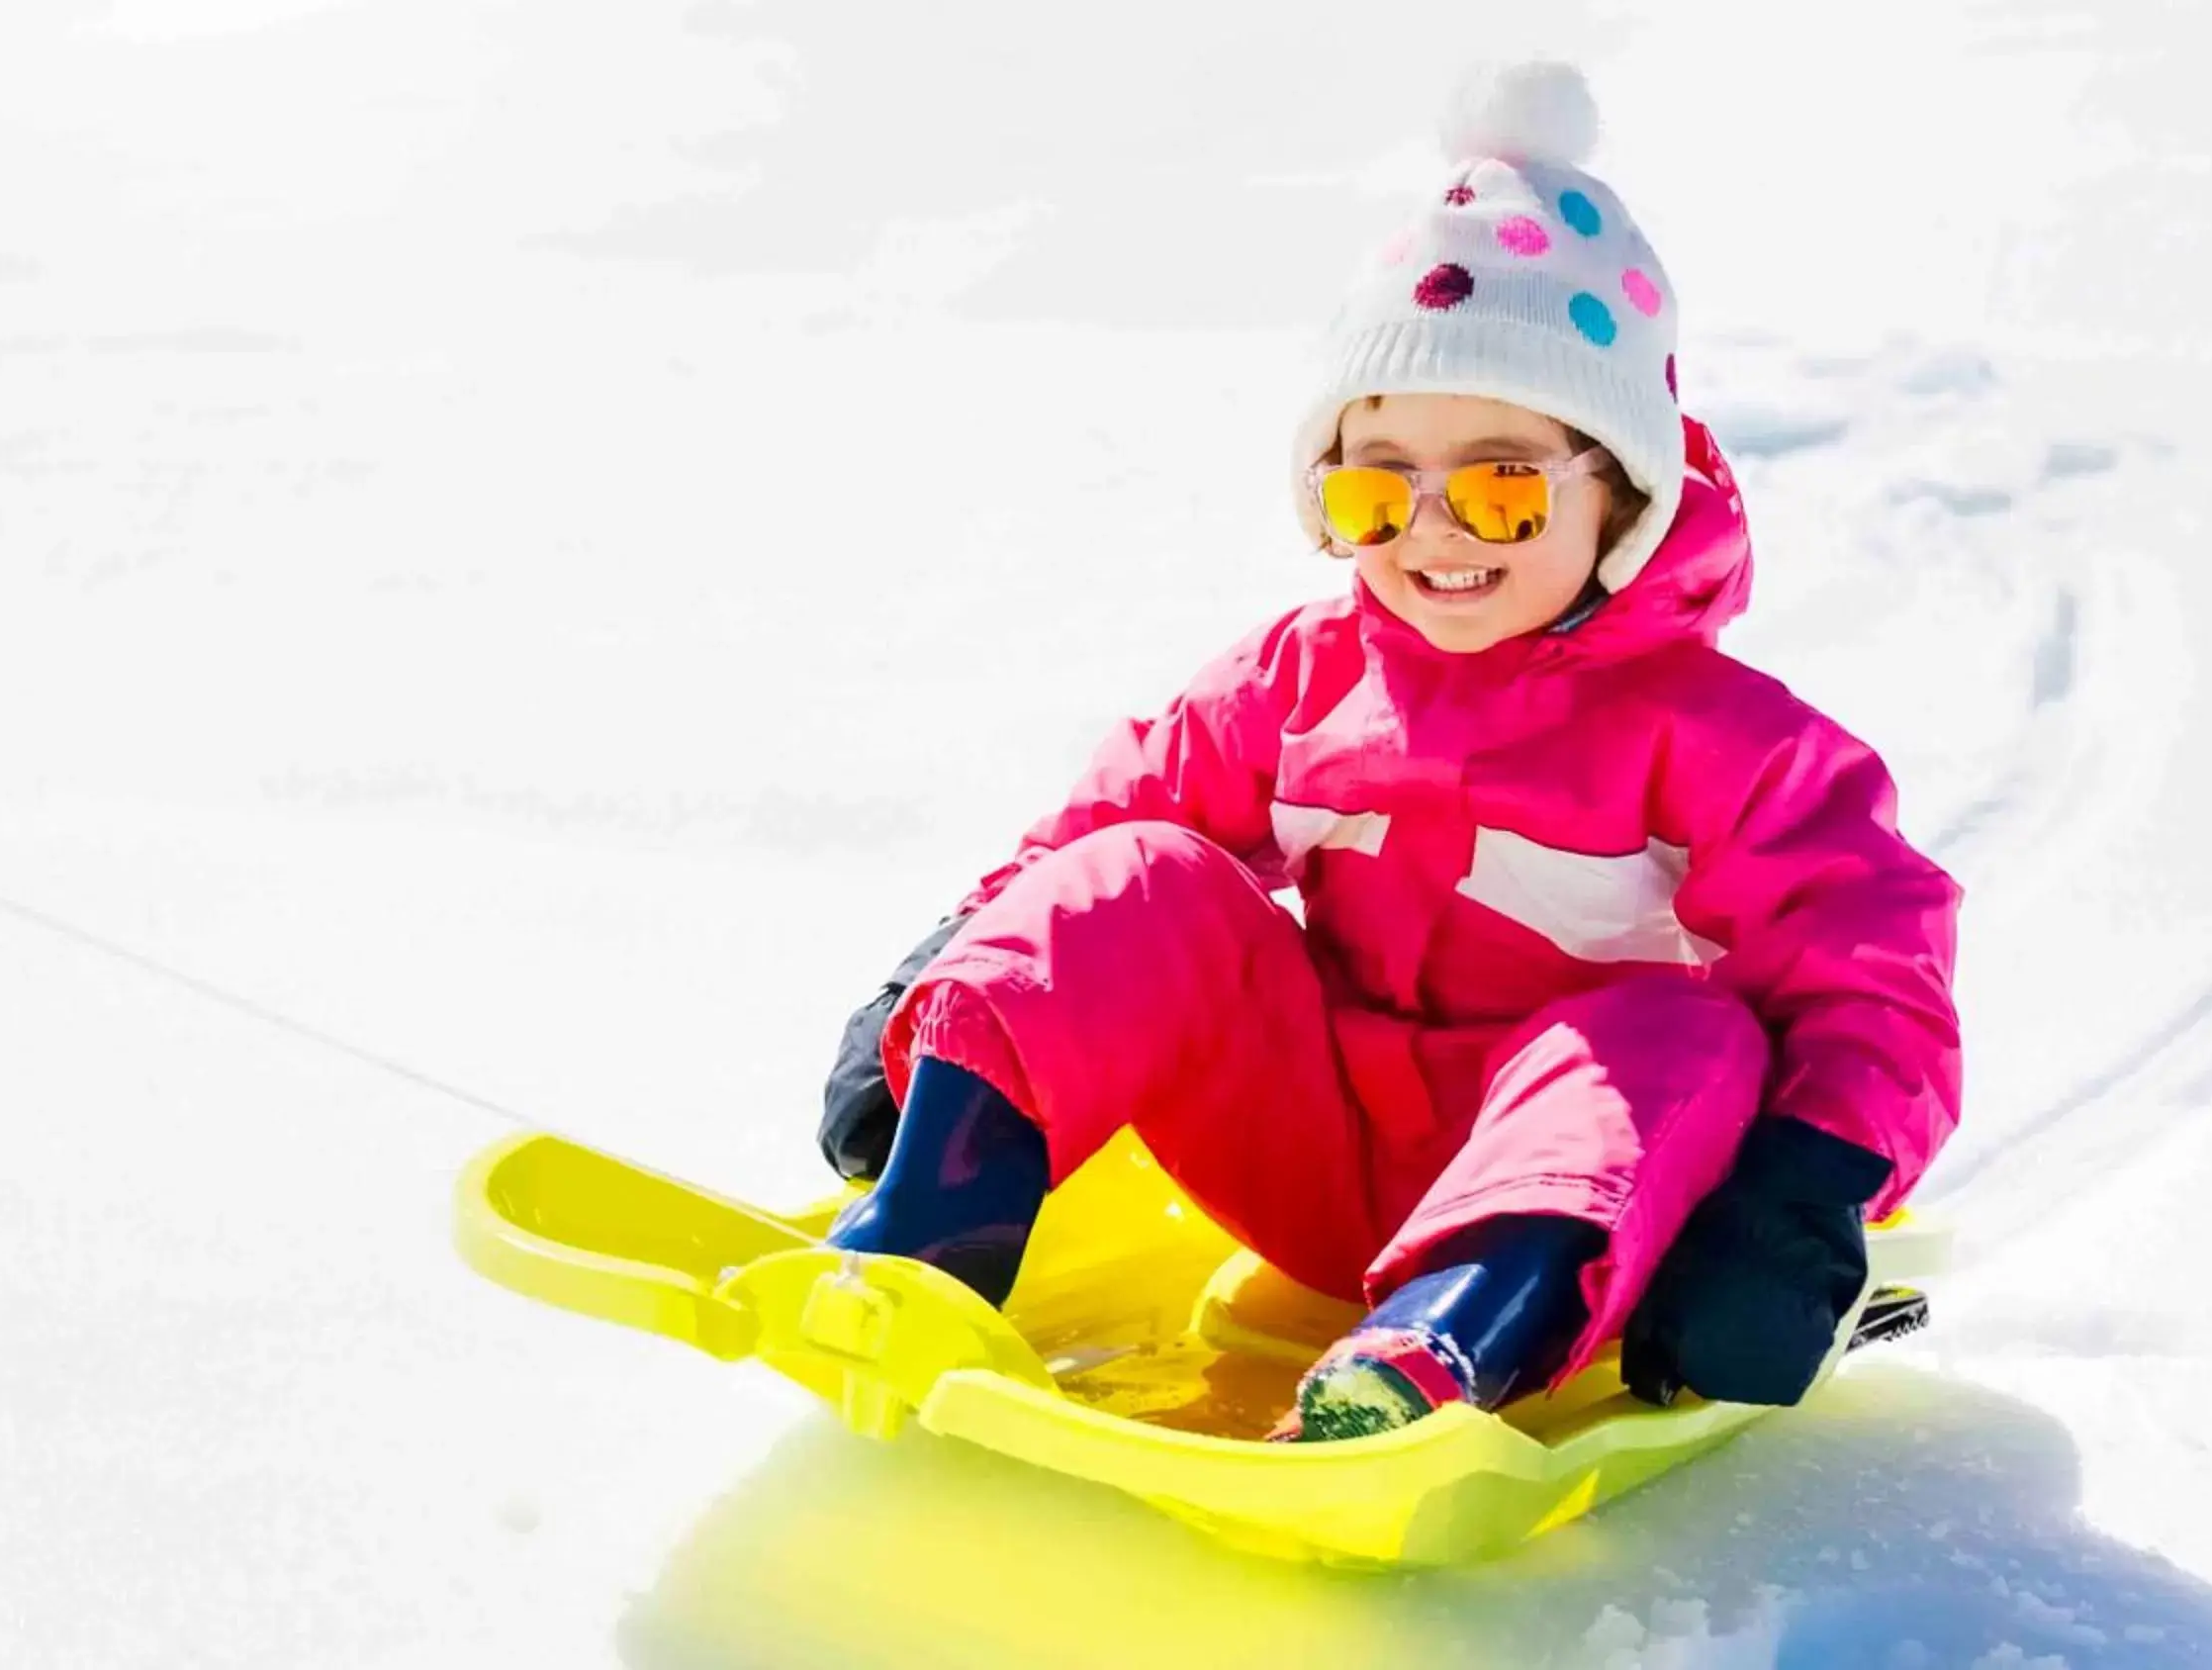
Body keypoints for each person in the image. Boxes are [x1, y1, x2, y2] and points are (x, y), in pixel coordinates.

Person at [815, 61, 1962, 1441]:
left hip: (1578, 1194)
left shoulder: (1736, 746)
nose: (1434, 533)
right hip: (1316, 1153)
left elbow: (1871, 983)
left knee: (1683, 1026)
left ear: (1627, 497)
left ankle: (1432, 1352)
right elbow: (1089, 859)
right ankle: (934, 1233)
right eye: (1375, 488)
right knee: (1150, 871)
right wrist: (936, 986)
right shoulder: (1299, 680)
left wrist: (1800, 1198)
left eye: (1498, 483)